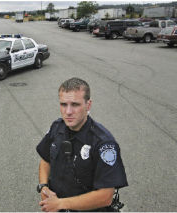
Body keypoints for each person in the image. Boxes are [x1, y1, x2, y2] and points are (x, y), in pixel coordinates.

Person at [36, 77, 128, 212]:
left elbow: (106, 196)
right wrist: (43, 186)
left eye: (75, 104)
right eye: (63, 104)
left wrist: (60, 203)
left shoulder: (104, 144)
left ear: (88, 105)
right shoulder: (57, 127)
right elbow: (45, 160)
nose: (68, 112)